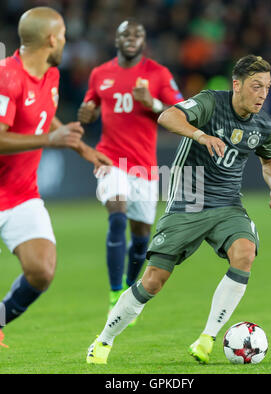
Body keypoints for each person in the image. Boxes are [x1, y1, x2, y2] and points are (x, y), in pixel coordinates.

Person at [86, 54, 271, 365]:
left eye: (267, 87)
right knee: (153, 280)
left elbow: (269, 159)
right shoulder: (210, 102)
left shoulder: (264, 123)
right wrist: (199, 134)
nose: (262, 94)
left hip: (228, 204)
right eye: (256, 86)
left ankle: (207, 339)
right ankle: (103, 341)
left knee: (245, 252)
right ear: (237, 85)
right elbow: (167, 116)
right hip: (188, 201)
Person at [0, 7, 112, 348]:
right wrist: (49, 142)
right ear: (51, 39)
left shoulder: (50, 75)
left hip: (20, 194)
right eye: (62, 35)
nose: (65, 41)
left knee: (42, 270)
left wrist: (82, 149)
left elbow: (45, 118)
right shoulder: (7, 77)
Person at [78, 19, 183, 317]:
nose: (131, 38)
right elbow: (89, 108)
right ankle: (113, 292)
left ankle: (126, 292)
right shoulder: (100, 74)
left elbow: (182, 112)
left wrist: (153, 103)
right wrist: (85, 112)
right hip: (110, 160)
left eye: (137, 34)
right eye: (125, 33)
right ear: (117, 39)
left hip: (144, 167)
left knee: (141, 237)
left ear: (143, 40)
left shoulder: (158, 74)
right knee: (117, 215)